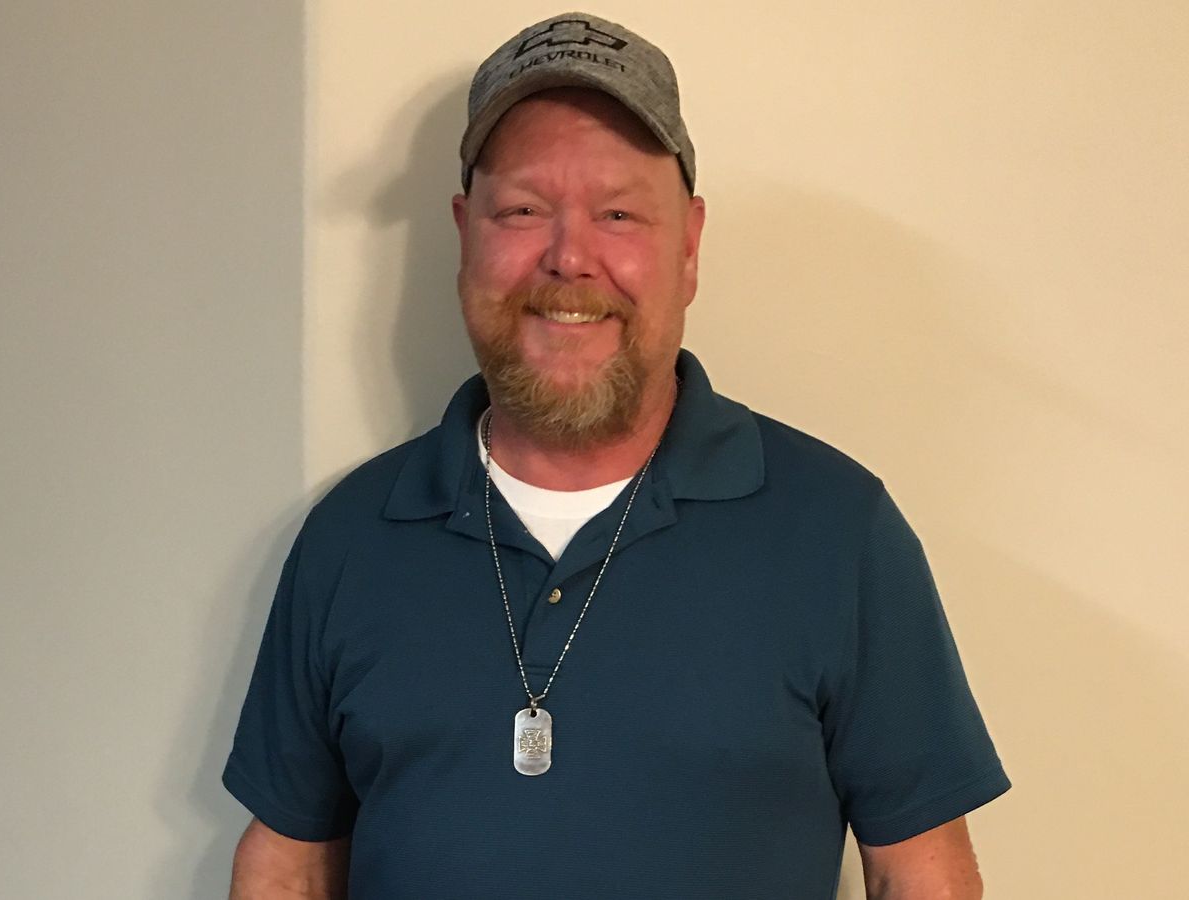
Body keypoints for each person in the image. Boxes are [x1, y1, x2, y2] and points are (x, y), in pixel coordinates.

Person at [223, 12, 1009, 899]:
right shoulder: (351, 537)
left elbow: (921, 872)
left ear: (689, 246)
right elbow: (288, 864)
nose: (569, 257)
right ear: (465, 234)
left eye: (620, 213)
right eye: (523, 210)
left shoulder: (837, 530)